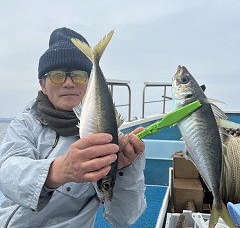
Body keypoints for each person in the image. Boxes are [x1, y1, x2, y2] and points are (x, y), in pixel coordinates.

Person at [0, 27, 146, 227]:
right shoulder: (25, 123)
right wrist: (58, 171)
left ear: (88, 82)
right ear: (42, 84)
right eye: (57, 76)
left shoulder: (109, 141)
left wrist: (126, 171)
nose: (68, 83)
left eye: (78, 76)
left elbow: (124, 218)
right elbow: (7, 172)